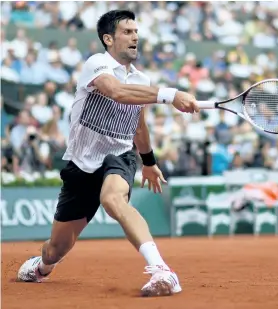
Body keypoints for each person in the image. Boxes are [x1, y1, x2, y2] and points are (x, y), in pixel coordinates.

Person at [17, 10, 199, 297]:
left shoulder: (142, 79)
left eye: (136, 32)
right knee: (56, 248)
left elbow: (137, 126)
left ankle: (162, 271)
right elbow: (116, 92)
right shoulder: (97, 64)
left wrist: (149, 162)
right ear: (108, 38)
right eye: (127, 32)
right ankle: (42, 266)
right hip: (81, 163)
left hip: (119, 155)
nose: (135, 37)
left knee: (112, 198)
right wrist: (169, 95)